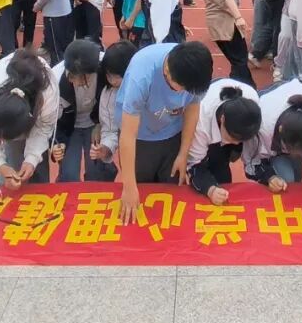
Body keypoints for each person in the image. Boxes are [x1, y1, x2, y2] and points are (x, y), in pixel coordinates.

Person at [116, 41, 213, 223]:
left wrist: (183, 153)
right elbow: (128, 135)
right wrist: (128, 186)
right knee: (140, 193)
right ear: (167, 72)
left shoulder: (196, 71)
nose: (182, 93)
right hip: (141, 138)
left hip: (172, 134)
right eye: (180, 88)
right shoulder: (142, 75)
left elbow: (193, 108)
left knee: (172, 195)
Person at [0, 48, 59, 189]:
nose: (3, 141)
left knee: (37, 171)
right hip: (14, 115)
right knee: (12, 166)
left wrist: (31, 159)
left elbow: (43, 129)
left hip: (38, 108)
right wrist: (1, 166)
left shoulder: (48, 92)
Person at [186, 79, 262, 204]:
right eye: (232, 139)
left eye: (240, 141)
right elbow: (194, 165)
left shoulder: (252, 104)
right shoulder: (201, 121)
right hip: (205, 122)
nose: (236, 143)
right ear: (222, 119)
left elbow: (254, 156)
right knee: (213, 167)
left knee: (223, 177)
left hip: (228, 125)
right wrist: (210, 189)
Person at [52, 39, 117, 182]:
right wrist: (56, 144)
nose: (78, 82)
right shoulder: (55, 81)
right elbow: (51, 120)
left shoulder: (106, 68)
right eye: (73, 76)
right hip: (68, 126)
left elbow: (110, 102)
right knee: (69, 176)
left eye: (84, 77)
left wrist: (99, 124)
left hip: (96, 121)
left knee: (97, 173)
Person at [243, 80, 302, 191]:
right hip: (267, 119)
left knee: (295, 184)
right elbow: (251, 163)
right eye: (290, 149)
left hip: (284, 128)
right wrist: (270, 177)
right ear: (281, 130)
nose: (294, 154)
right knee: (285, 181)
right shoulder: (258, 125)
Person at [88, 40, 136, 173]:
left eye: (117, 76)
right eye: (109, 76)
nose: (113, 81)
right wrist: (105, 148)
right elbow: (110, 130)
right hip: (130, 147)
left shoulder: (148, 86)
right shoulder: (108, 94)